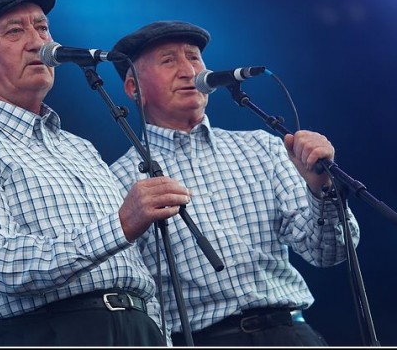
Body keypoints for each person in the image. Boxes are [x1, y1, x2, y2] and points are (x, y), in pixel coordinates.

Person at [0, 0, 192, 347]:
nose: (37, 43)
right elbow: (4, 262)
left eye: (42, 29)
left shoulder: (80, 148)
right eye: (15, 32)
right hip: (48, 332)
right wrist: (120, 225)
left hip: (137, 328)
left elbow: (136, 269)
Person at [108, 20, 361, 346]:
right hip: (207, 339)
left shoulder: (262, 147)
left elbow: (328, 252)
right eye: (168, 61)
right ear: (133, 88)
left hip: (292, 333)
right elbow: (141, 297)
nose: (188, 70)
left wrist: (321, 187)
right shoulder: (119, 181)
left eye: (194, 57)